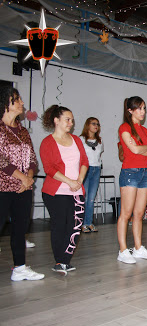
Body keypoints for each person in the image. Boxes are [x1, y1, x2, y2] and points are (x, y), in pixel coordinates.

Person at [0, 86, 44, 281]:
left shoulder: (23, 131)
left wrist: (29, 178)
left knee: (20, 228)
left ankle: (20, 268)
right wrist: (22, 177)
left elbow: (32, 158)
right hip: (3, 188)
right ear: (5, 103)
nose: (22, 103)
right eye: (17, 99)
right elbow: (1, 160)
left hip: (24, 188)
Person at [40, 105, 88, 275]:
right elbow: (49, 169)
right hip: (56, 191)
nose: (71, 123)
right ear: (56, 120)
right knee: (60, 225)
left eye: (72, 120)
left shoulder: (76, 139)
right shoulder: (47, 142)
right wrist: (69, 181)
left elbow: (84, 161)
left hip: (76, 189)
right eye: (67, 119)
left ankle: (64, 261)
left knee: (76, 225)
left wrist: (79, 180)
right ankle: (60, 261)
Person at [117, 96, 147, 264]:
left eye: (144, 108)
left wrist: (142, 149)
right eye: (139, 108)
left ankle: (138, 248)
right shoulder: (125, 127)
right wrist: (143, 148)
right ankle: (123, 250)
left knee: (139, 214)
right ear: (130, 110)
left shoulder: (145, 130)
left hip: (143, 173)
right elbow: (132, 149)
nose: (143, 112)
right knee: (126, 213)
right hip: (130, 172)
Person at [79, 117, 104, 233]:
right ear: (87, 125)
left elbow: (99, 156)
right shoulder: (81, 140)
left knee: (91, 199)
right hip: (85, 170)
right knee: (84, 198)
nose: (96, 126)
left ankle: (89, 223)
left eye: (98, 124)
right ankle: (82, 224)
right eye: (93, 124)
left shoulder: (100, 141)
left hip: (96, 169)